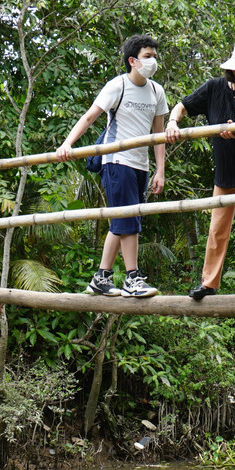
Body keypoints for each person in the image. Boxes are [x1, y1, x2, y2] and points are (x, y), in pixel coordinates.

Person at [56, 34, 167, 297]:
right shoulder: (118, 85)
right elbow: (90, 116)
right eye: (147, 57)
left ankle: (101, 278)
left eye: (154, 56)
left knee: (123, 218)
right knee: (128, 219)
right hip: (117, 161)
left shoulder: (156, 91)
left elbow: (160, 134)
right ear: (133, 61)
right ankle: (132, 278)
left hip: (141, 165)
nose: (153, 61)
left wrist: (160, 170)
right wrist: (67, 144)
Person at [165, 40, 235, 300]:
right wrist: (172, 122)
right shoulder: (213, 88)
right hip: (227, 169)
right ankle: (209, 282)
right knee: (218, 225)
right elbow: (183, 106)